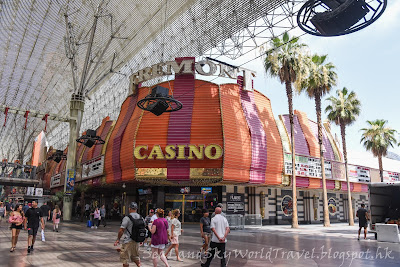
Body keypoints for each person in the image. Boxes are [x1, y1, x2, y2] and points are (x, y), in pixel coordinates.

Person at [114, 202, 145, 267]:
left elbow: (121, 230)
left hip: (128, 241)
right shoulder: (141, 217)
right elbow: (143, 229)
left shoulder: (127, 218)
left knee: (125, 260)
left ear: (129, 208)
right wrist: (141, 239)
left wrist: (118, 239)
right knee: (136, 258)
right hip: (136, 242)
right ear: (136, 209)